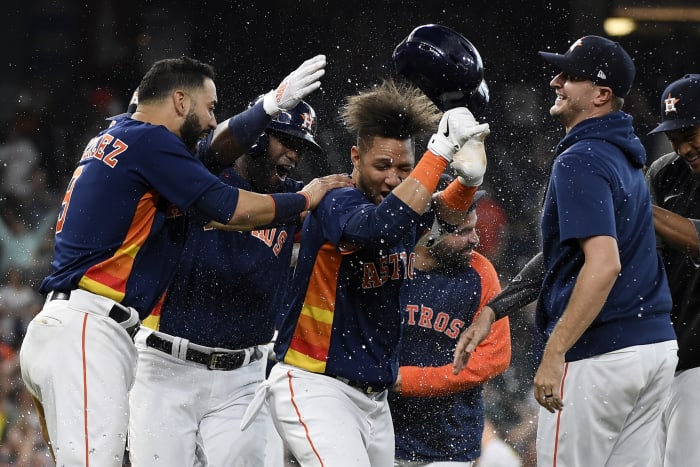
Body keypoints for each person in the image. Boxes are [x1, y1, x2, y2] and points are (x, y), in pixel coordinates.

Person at [17, 55, 351, 467]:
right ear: (179, 101)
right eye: (209, 108)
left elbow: (210, 162)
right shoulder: (153, 142)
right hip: (93, 333)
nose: (213, 120)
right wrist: (302, 193)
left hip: (77, 328)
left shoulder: (122, 136)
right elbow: (225, 203)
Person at [240, 78, 491, 466]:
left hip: (375, 402)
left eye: (404, 167)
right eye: (382, 166)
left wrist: (468, 181)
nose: (394, 177)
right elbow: (378, 227)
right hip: (315, 385)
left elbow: (444, 211)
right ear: (355, 157)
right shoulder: (337, 199)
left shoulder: (403, 200)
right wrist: (438, 153)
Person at [454, 35, 677, 467]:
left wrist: (555, 352)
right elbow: (567, 255)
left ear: (600, 94)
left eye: (570, 75)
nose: (556, 81)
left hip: (600, 355)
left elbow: (604, 263)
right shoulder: (623, 155)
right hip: (652, 351)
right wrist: (494, 309)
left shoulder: (581, 158)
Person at [128, 97, 327, 466]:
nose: (293, 156)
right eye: (286, 141)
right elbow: (215, 147)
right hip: (166, 366)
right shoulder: (197, 175)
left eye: (300, 147)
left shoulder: (296, 196)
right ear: (255, 139)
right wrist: (264, 109)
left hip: (244, 378)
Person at [390, 182, 512, 466]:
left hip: (451, 439)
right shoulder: (392, 265)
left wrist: (407, 380)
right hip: (383, 428)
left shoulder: (481, 273)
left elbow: (494, 359)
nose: (475, 240)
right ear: (428, 233)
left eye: (474, 228)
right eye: (463, 231)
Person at [645, 73, 700, 467]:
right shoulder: (667, 173)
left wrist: (634, 202)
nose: (684, 147)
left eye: (691, 132)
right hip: (668, 357)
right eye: (675, 137)